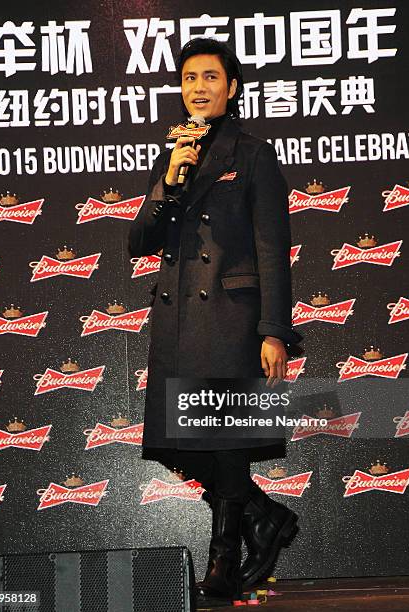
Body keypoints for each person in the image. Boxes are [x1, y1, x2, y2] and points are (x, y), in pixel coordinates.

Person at [128, 37, 303, 606]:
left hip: (230, 318)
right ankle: (265, 517)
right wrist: (170, 182)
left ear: (230, 88)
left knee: (224, 442)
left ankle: (224, 559)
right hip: (177, 321)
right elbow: (139, 241)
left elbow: (273, 248)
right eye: (188, 79)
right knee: (178, 445)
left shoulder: (252, 155)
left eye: (210, 77)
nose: (198, 88)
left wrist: (274, 330)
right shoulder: (174, 152)